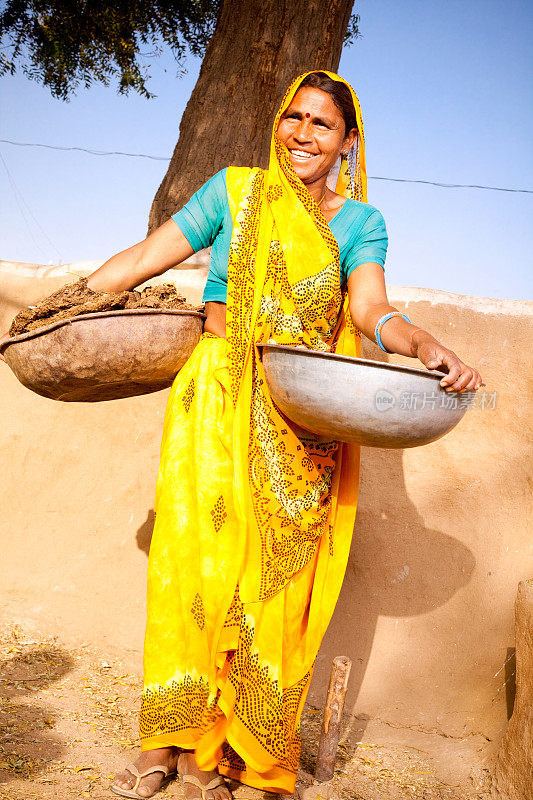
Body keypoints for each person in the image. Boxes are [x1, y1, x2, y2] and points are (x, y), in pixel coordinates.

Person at [1, 70, 483, 799]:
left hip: (300, 426)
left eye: (322, 124)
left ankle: (233, 754)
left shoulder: (361, 223)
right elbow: (141, 262)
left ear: (347, 143)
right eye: (293, 118)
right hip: (215, 400)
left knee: (270, 590)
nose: (301, 134)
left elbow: (369, 310)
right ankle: (169, 742)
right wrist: (51, 311)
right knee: (192, 574)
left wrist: (417, 343)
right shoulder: (232, 190)